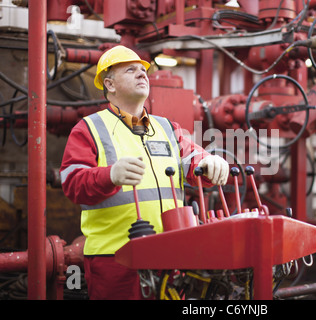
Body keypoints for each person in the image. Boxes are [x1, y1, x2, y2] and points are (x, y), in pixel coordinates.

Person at [60, 45, 229, 300]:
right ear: (110, 84)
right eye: (131, 70)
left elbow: (194, 160)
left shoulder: (166, 128)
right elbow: (72, 183)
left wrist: (211, 163)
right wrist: (110, 176)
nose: (142, 75)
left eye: (143, 70)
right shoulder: (89, 129)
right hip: (115, 258)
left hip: (170, 254)